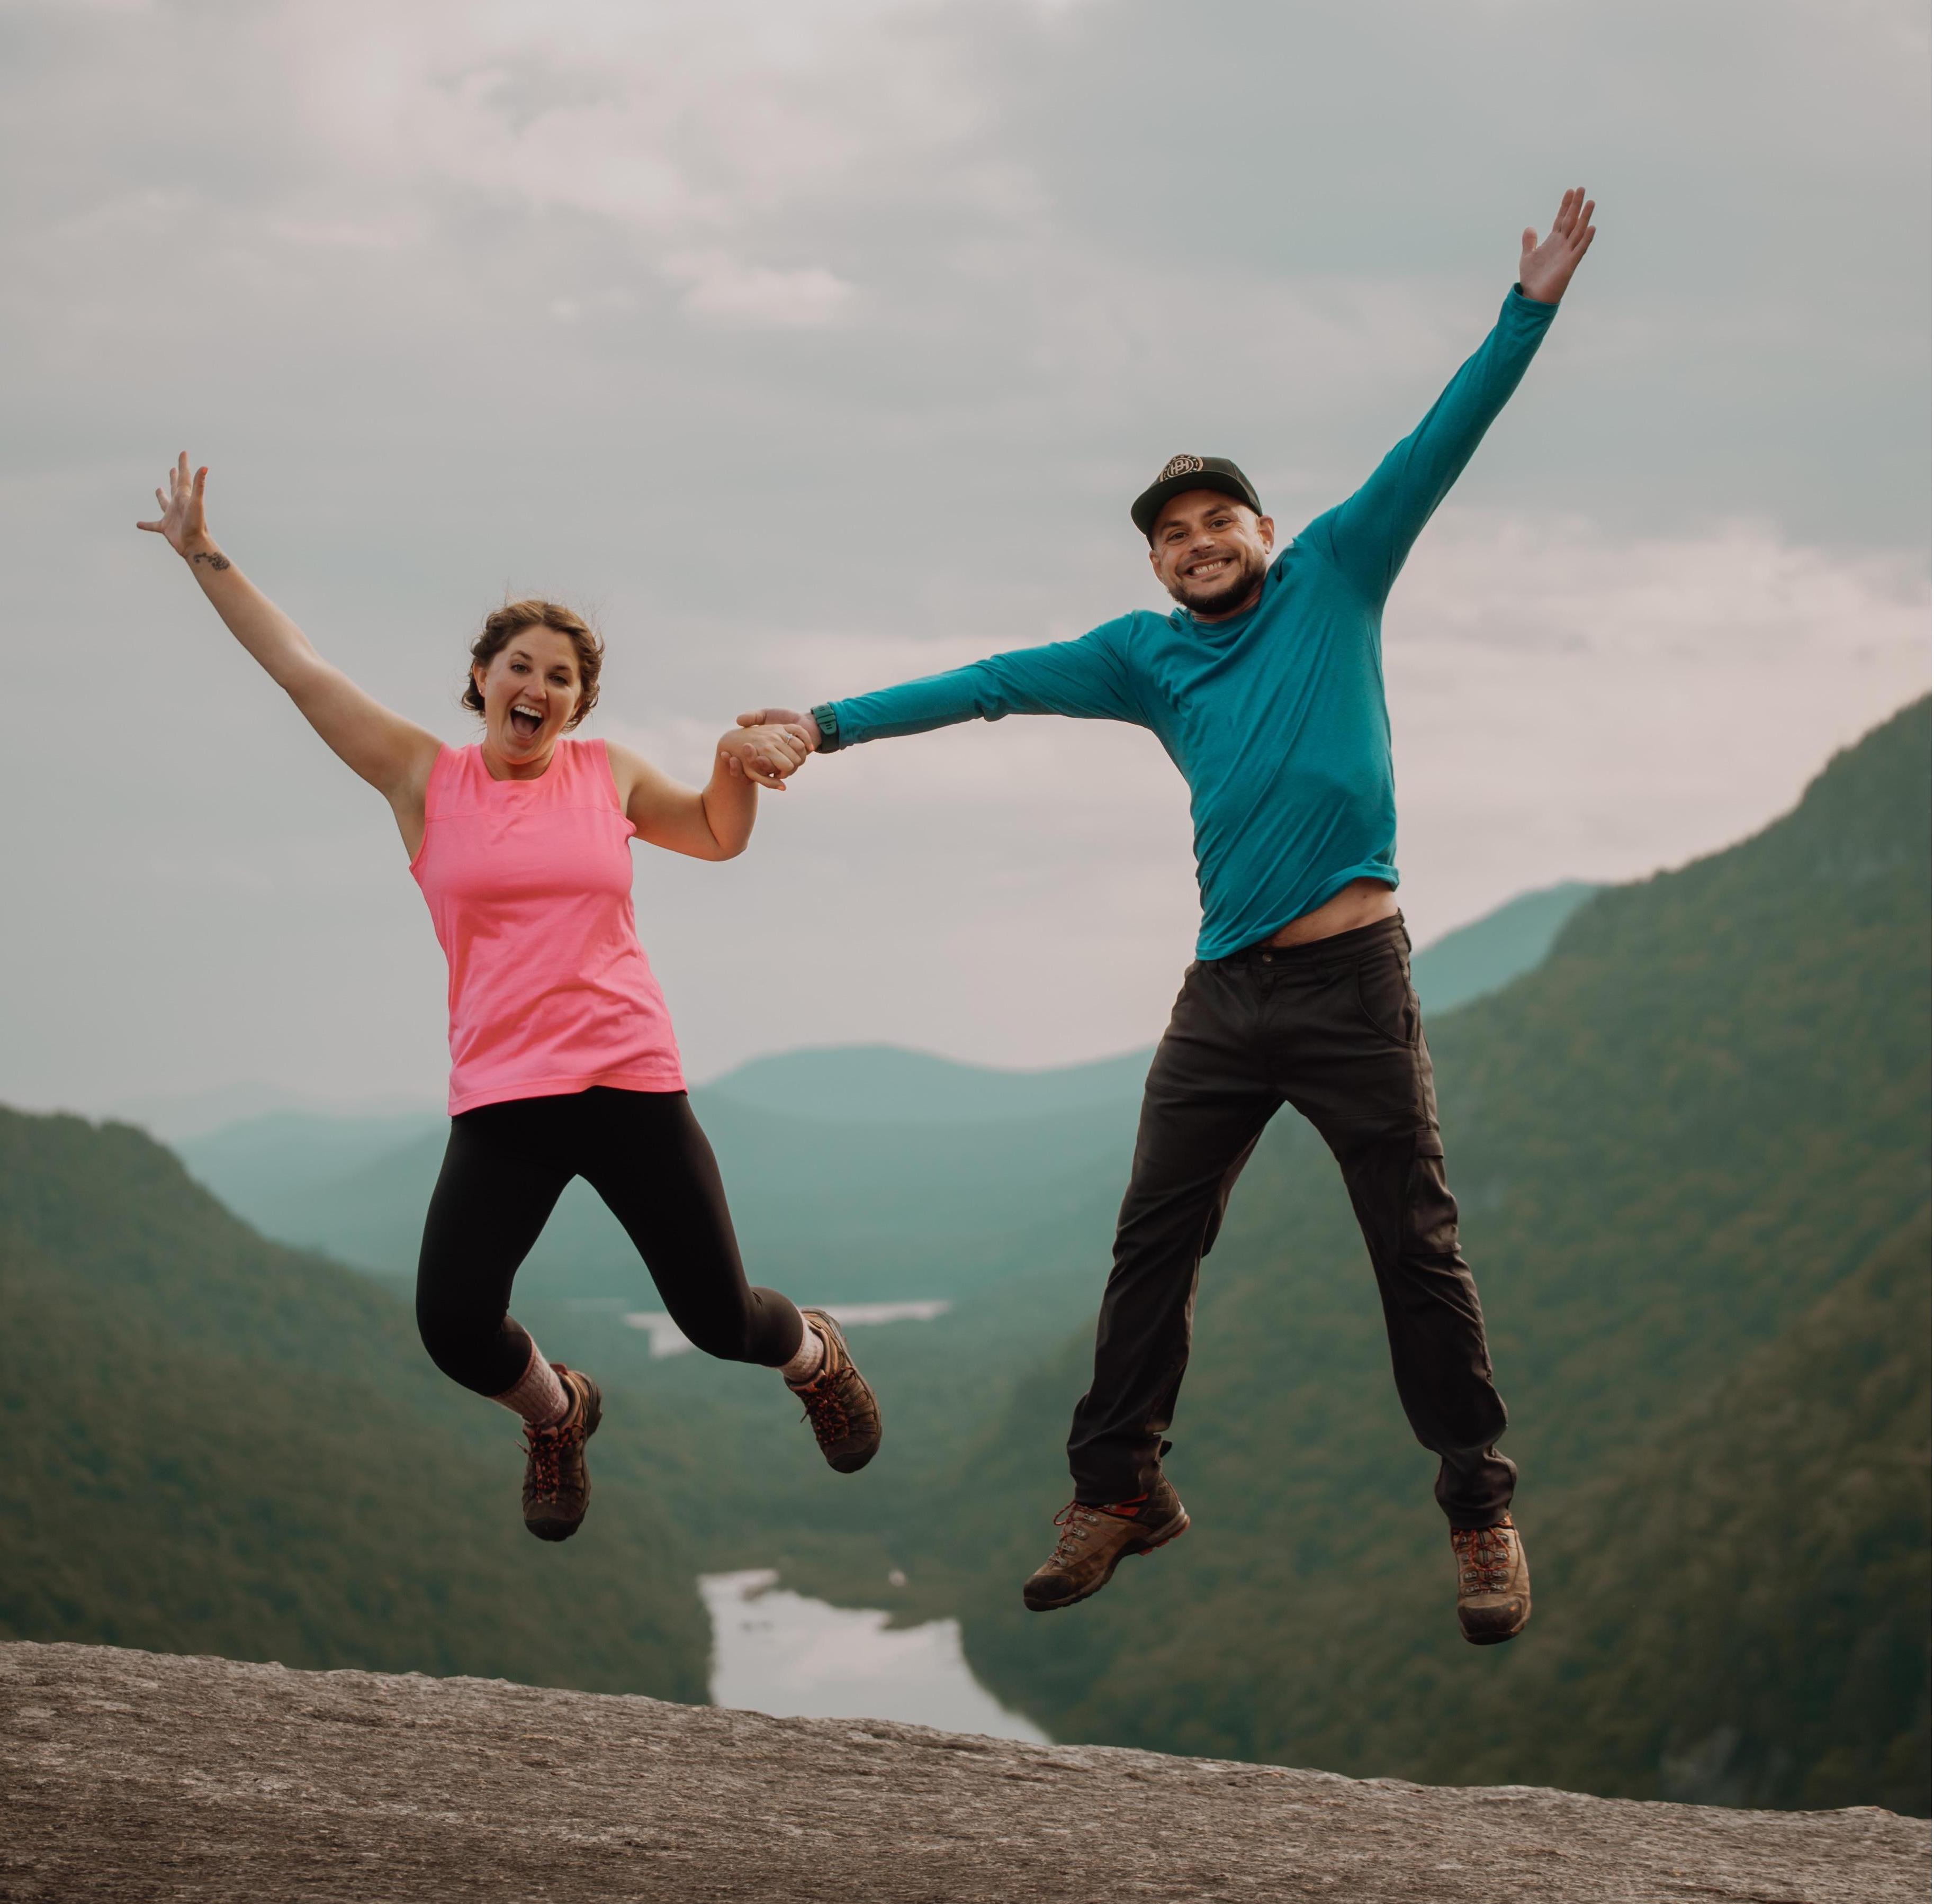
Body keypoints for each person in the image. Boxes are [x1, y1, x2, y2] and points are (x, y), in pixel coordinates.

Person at [743, 189, 1599, 1645]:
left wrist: (1527, 309)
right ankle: (1118, 1489)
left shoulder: (1337, 571)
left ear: (1264, 529)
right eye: (1172, 534)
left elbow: (1441, 439)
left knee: (1414, 1248)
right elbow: (989, 682)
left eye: (1216, 521)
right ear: (1152, 563)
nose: (1196, 542)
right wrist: (821, 725)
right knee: (1151, 1242)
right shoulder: (1142, 657)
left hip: (1350, 983)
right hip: (1222, 995)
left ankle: (1476, 1506)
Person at [136, 462, 881, 1541]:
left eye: (561, 677)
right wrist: (203, 551)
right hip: (505, 1099)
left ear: (578, 702)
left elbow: (719, 833)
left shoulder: (607, 774)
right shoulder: (422, 779)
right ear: (481, 678)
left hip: (628, 1081)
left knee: (722, 1322)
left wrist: (735, 761)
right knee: (453, 1327)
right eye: (519, 666)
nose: (537, 686)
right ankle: (558, 1412)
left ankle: (815, 1355)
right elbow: (298, 668)